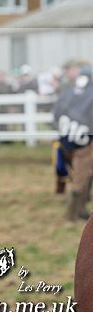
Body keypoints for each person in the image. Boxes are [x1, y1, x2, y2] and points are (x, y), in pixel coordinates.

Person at [53, 65, 93, 221]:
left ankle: (80, 209)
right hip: (84, 142)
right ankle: (72, 214)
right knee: (81, 177)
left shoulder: (68, 92)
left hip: (66, 142)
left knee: (83, 174)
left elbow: (56, 114)